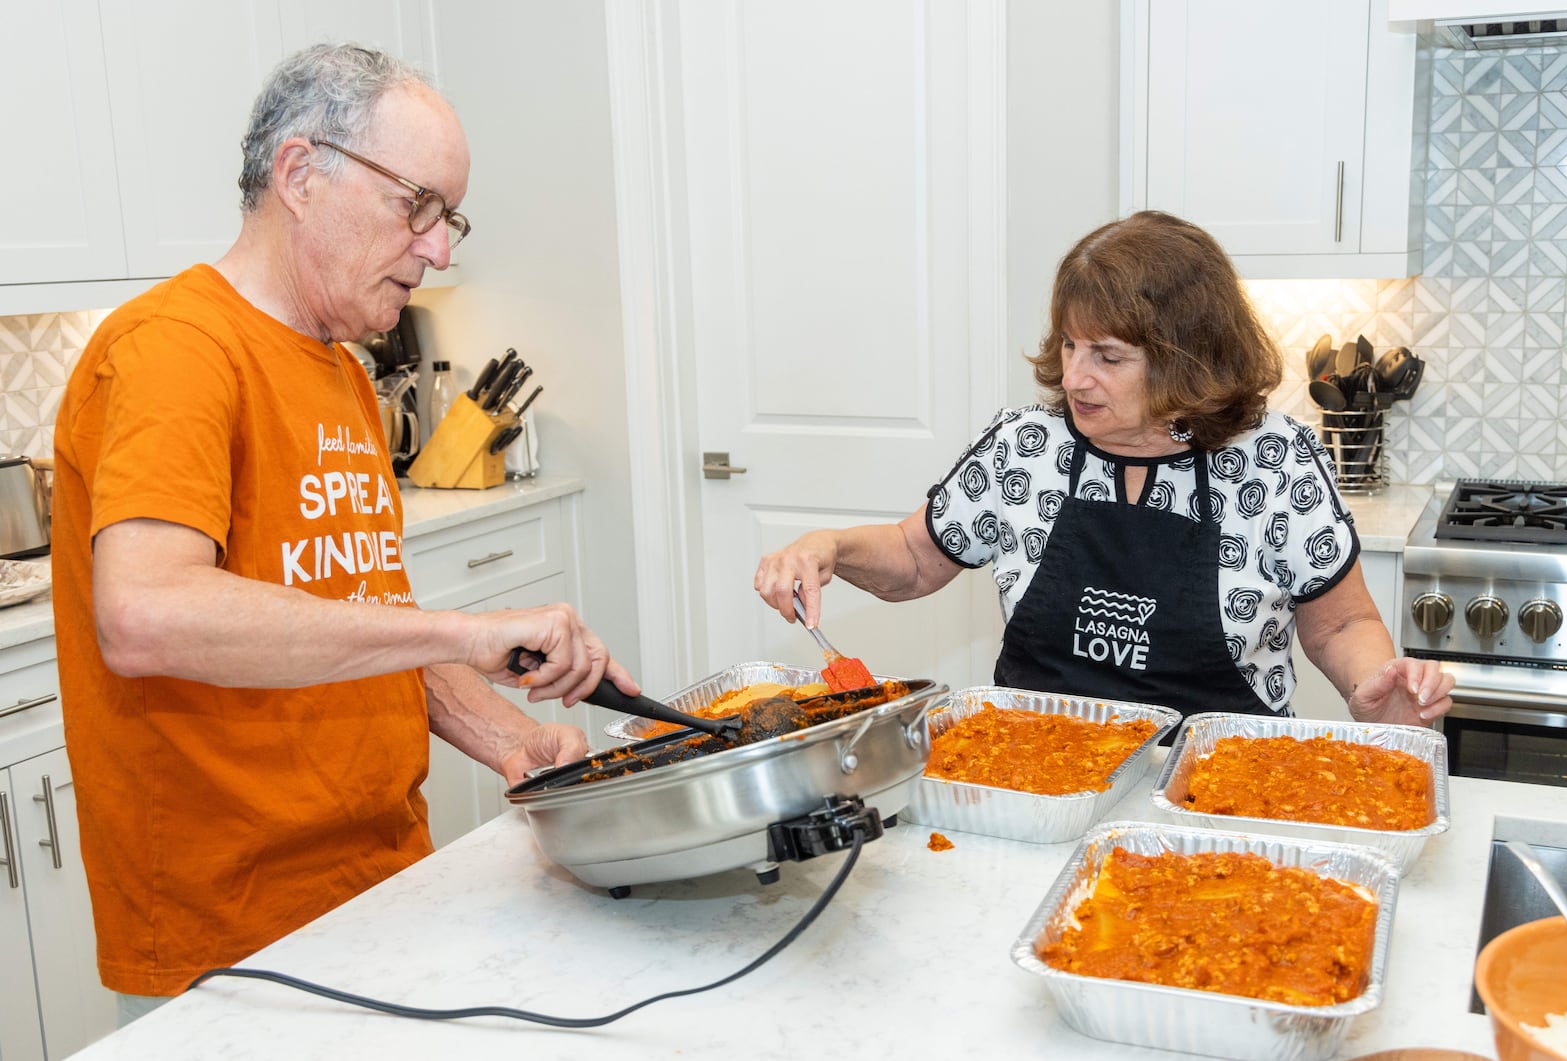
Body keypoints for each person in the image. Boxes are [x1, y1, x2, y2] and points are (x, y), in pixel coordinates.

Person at [50, 43, 637, 1016]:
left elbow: (364, 618)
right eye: (417, 206)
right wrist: (465, 630)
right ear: (299, 174)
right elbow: (144, 613)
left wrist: (507, 737)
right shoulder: (173, 350)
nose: (439, 249)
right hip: (231, 935)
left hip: (382, 884)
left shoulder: (344, 375)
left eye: (449, 217)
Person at [753, 210, 1453, 728]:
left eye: (1108, 356)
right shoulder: (1026, 448)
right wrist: (830, 546)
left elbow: (1339, 624)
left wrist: (1375, 685)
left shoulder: (1273, 463)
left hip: (1212, 783)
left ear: (1185, 358)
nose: (1074, 377)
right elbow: (913, 557)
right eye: (1069, 345)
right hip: (1032, 772)